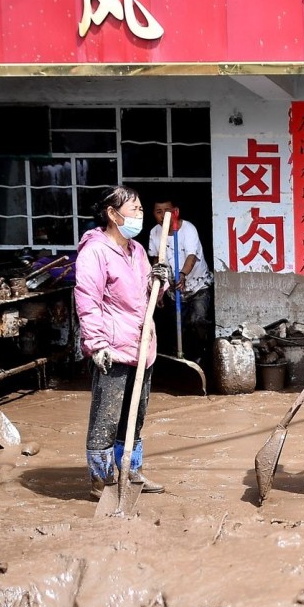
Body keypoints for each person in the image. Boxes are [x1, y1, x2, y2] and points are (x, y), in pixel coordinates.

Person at [76, 185, 173, 500]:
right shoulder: (95, 252)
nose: (141, 215)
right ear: (112, 214)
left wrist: (161, 280)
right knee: (107, 415)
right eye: (135, 210)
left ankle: (130, 471)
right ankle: (101, 481)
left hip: (142, 347)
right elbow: (87, 301)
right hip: (113, 349)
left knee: (137, 413)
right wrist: (96, 343)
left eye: (142, 209)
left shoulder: (139, 251)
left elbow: (151, 299)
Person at [148, 199, 214, 363]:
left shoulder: (188, 229)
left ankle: (201, 356)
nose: (163, 216)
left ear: (175, 211)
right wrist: (159, 290)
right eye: (158, 211)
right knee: (177, 326)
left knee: (198, 321)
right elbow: (157, 261)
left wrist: (182, 274)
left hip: (198, 285)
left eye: (167, 210)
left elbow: (191, 256)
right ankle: (180, 358)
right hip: (174, 289)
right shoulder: (155, 233)